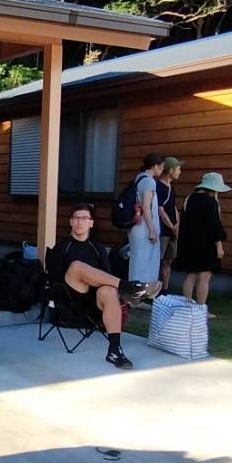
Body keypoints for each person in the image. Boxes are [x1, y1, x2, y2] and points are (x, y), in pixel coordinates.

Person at [49, 205, 153, 369]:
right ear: (71, 222)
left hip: (94, 302)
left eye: (84, 218)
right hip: (70, 297)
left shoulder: (98, 249)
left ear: (91, 223)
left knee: (109, 290)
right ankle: (128, 287)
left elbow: (107, 278)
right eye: (76, 218)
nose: (80, 222)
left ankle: (114, 351)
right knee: (76, 266)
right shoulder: (62, 247)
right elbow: (54, 278)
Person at [174, 173, 230, 308]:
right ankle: (200, 308)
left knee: (191, 274)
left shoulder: (189, 199)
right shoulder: (211, 202)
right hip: (206, 244)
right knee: (205, 276)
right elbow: (214, 226)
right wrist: (219, 246)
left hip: (189, 242)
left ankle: (186, 306)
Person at [126, 153, 165, 288]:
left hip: (137, 226)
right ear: (155, 166)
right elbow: (146, 207)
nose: (162, 170)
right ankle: (142, 293)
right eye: (161, 166)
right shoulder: (149, 181)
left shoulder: (138, 178)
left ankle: (136, 292)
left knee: (137, 261)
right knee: (145, 263)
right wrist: (152, 230)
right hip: (144, 228)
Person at [156, 158, 182, 291]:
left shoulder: (172, 188)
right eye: (178, 169)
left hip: (172, 231)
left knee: (168, 260)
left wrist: (177, 224)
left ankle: (165, 290)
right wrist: (171, 226)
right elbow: (160, 210)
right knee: (158, 261)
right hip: (162, 231)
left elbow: (174, 207)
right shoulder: (158, 186)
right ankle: (154, 290)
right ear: (171, 170)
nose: (179, 172)